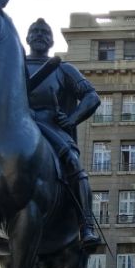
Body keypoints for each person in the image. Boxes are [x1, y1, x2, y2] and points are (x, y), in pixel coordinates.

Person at [24, 18, 102, 249]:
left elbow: (91, 97)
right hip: (16, 121)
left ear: (51, 40)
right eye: (35, 31)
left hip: (50, 126)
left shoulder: (62, 69)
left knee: (73, 164)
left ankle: (86, 224)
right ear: (27, 38)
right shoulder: (12, 66)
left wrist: (71, 119)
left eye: (45, 32)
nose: (39, 35)